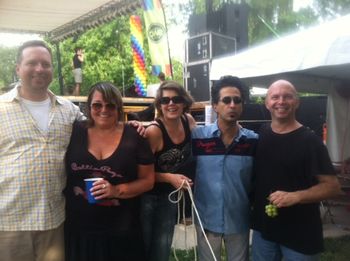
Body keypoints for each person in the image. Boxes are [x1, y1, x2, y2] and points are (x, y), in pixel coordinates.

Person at [0, 40, 83, 261]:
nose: (39, 69)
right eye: (32, 63)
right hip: (9, 222)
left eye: (45, 64)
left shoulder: (69, 110)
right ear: (18, 68)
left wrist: (134, 127)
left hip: (53, 221)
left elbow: (101, 130)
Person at [251, 79, 341, 260]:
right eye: (275, 97)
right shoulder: (262, 133)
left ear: (297, 102)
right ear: (267, 103)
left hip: (300, 232)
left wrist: (296, 196)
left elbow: (332, 187)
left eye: (287, 97)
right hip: (264, 229)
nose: (281, 101)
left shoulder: (310, 141)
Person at [64, 82, 155, 261]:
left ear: (119, 108)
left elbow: (148, 180)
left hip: (122, 230)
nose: (103, 110)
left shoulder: (135, 135)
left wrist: (115, 191)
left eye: (110, 105)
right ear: (89, 107)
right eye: (97, 105)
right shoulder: (74, 131)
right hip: (80, 229)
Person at [192, 75, 258, 261]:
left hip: (239, 218)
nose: (232, 105)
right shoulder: (198, 138)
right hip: (206, 218)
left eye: (237, 100)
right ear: (215, 106)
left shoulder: (253, 141)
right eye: (226, 100)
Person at [141, 80, 197, 261]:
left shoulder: (188, 121)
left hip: (169, 197)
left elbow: (202, 143)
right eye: (165, 101)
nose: (171, 104)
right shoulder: (154, 132)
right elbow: (138, 173)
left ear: (184, 102)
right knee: (144, 245)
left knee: (162, 247)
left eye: (176, 99)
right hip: (147, 197)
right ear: (159, 105)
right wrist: (169, 177)